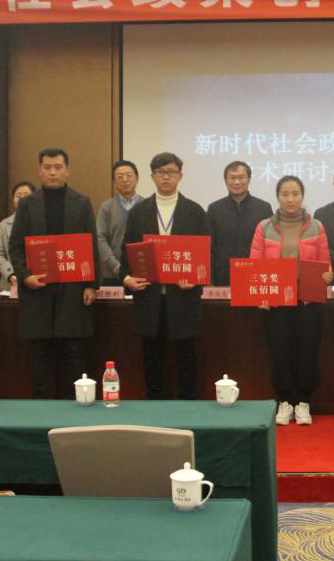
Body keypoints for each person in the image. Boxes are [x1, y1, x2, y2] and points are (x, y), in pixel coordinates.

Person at [8, 148, 99, 398]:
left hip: (73, 287)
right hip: (37, 287)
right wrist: (25, 275)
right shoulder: (27, 204)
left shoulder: (81, 202)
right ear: (39, 170)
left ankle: (76, 402)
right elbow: (15, 245)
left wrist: (91, 284)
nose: (52, 172)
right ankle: (42, 405)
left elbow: (91, 244)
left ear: (67, 170)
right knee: (41, 352)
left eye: (58, 167)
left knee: (74, 350)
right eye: (47, 167)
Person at [120, 152, 211, 399]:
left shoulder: (195, 211)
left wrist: (196, 278)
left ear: (180, 176)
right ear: (152, 177)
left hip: (183, 297)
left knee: (186, 356)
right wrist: (127, 278)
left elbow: (206, 255)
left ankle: (187, 405)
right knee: (152, 356)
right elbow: (126, 251)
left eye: (171, 172)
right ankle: (154, 405)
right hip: (149, 297)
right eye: (161, 172)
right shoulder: (139, 212)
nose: (166, 177)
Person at [250, 176, 333, 425]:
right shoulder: (264, 227)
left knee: (308, 350)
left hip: (308, 300)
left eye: (295, 193)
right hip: (276, 301)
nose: (290, 199)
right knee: (279, 350)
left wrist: (327, 274)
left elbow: (325, 262)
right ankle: (284, 401)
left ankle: (304, 401)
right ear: (277, 196)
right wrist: (260, 294)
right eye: (285, 194)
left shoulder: (316, 226)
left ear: (302, 196)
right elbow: (255, 265)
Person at [207, 161, 272, 286]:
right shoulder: (214, 209)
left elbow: (269, 247)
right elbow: (210, 248)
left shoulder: (264, 208)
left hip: (255, 276)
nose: (236, 182)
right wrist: (210, 281)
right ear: (226, 181)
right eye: (232, 178)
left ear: (249, 180)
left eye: (241, 177)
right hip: (223, 277)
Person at [96, 160, 143, 285]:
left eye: (129, 175)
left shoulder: (148, 206)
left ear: (137, 179)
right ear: (114, 182)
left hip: (142, 273)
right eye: (120, 176)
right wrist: (116, 267)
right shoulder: (106, 207)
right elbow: (100, 239)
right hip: (112, 274)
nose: (125, 180)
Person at [0, 181, 35, 292]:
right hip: (11, 281)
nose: (22, 199)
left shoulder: (42, 223)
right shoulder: (4, 224)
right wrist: (11, 274)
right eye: (18, 196)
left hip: (37, 279)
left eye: (26, 195)